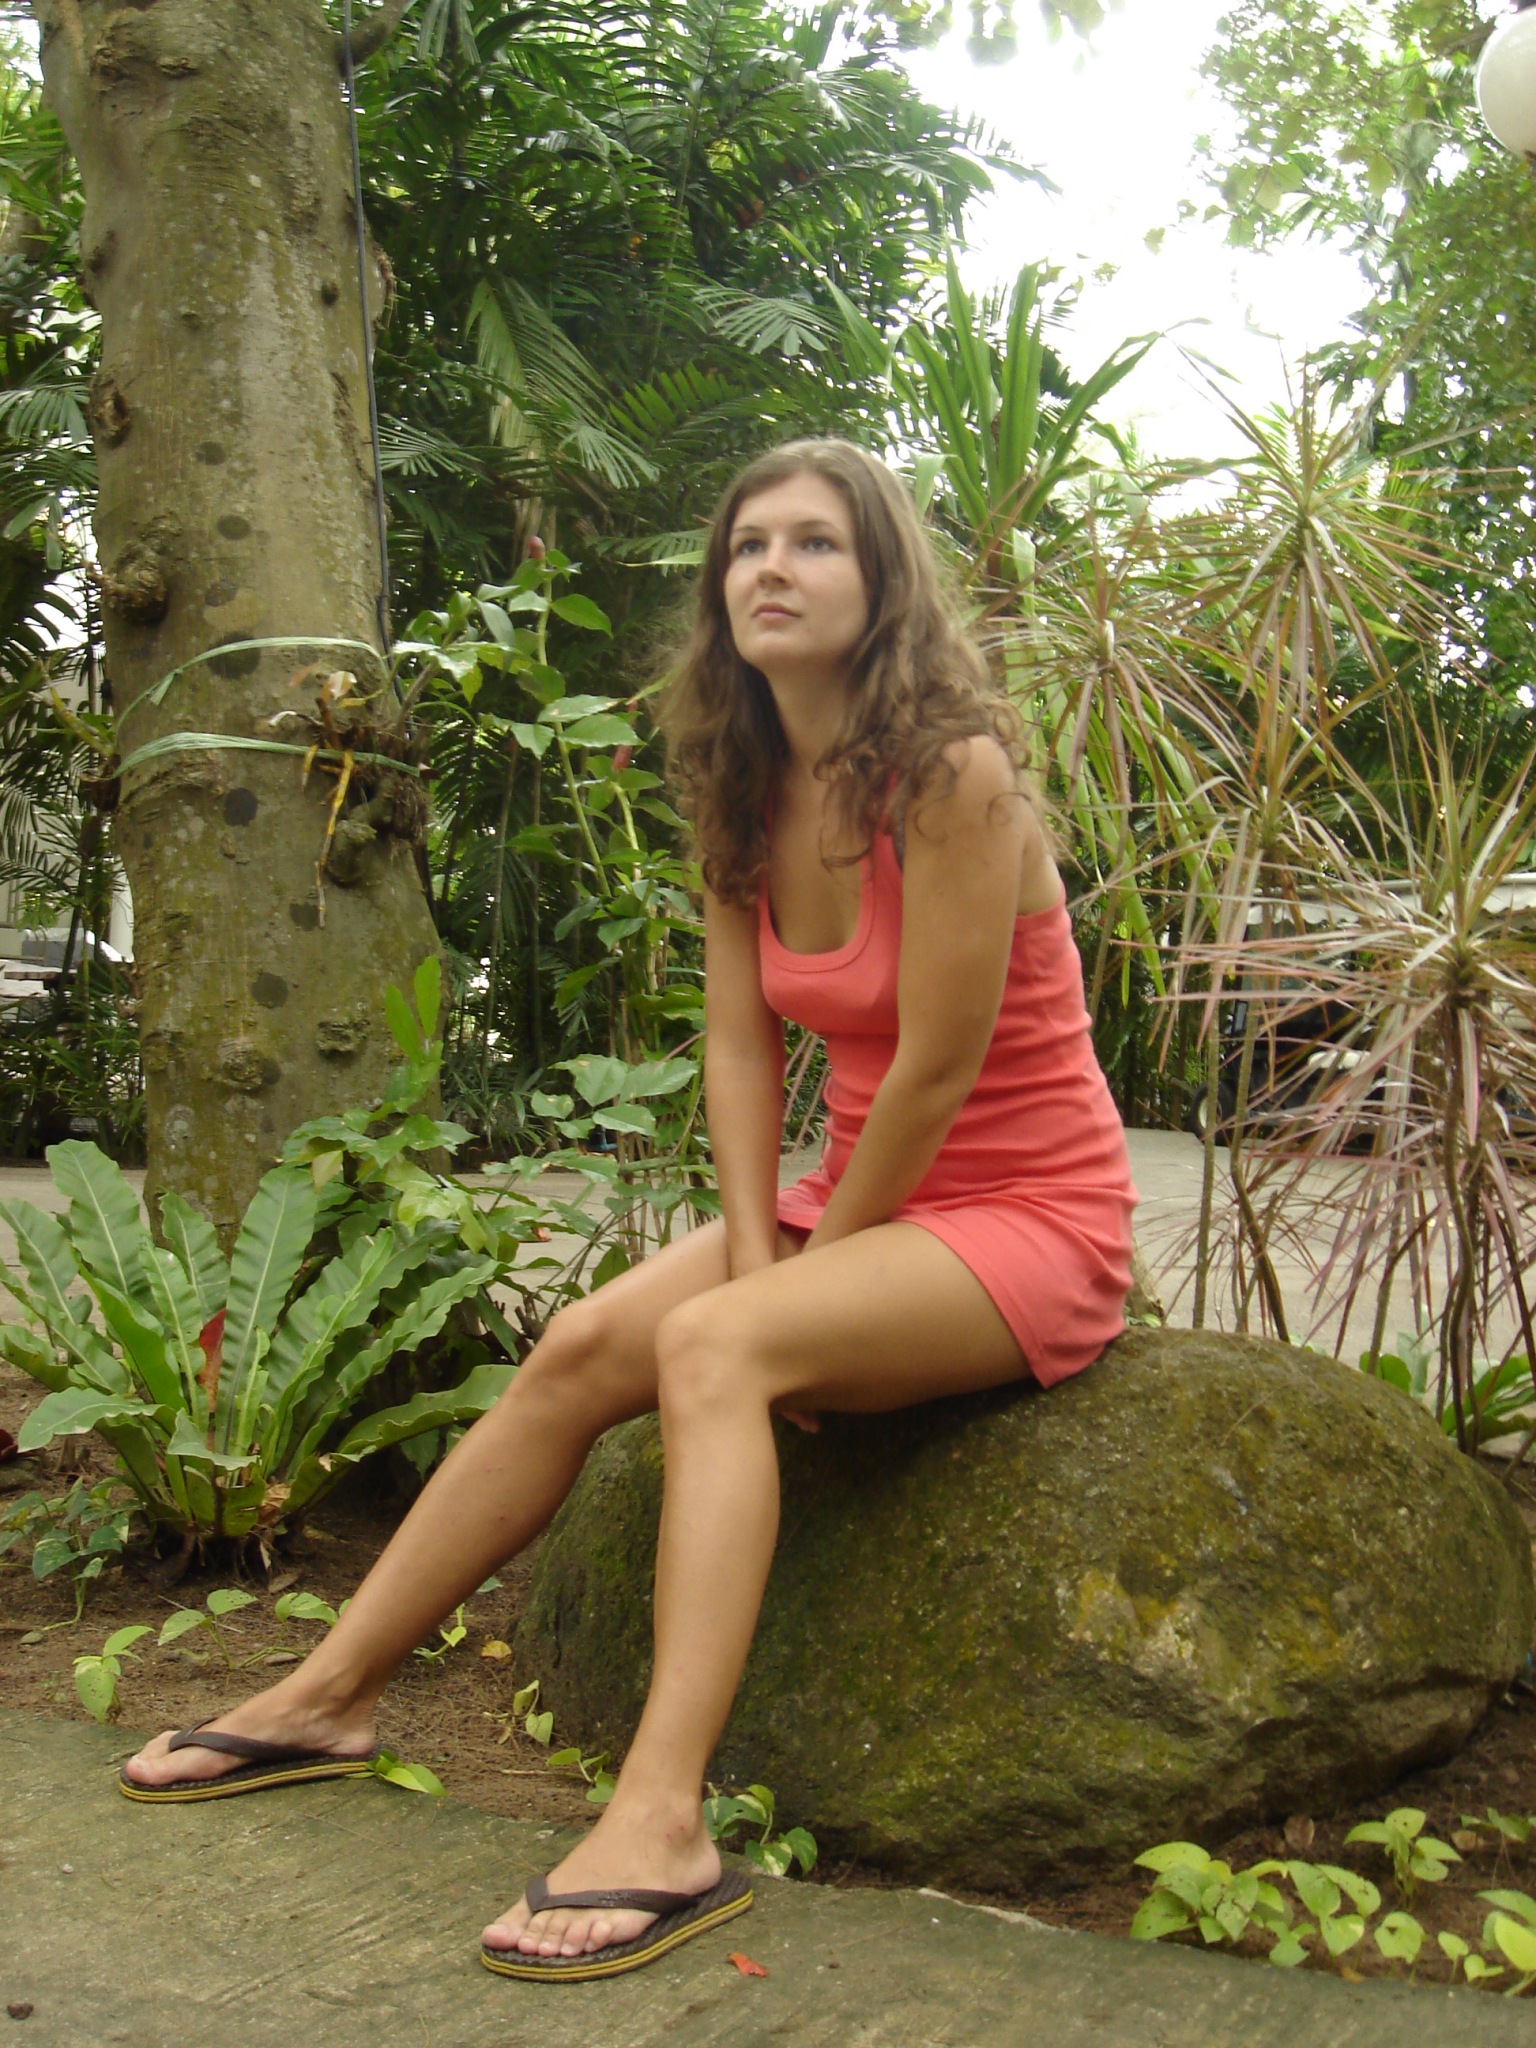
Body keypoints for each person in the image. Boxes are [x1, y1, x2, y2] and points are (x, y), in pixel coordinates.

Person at [120, 437, 1138, 1982]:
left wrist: (790, 1285)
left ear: (884, 582)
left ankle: (663, 1818)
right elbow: (740, 1046)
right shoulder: (745, 778)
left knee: (717, 1351)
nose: (771, 567)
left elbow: (937, 1068)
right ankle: (328, 1694)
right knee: (586, 1343)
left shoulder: (953, 774)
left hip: (1024, 1209)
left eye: (815, 542)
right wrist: (765, 1243)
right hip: (854, 1199)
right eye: (747, 545)